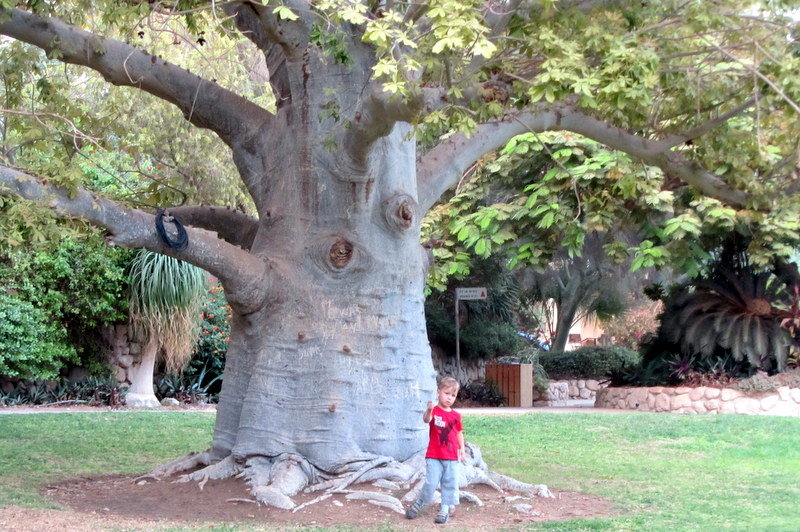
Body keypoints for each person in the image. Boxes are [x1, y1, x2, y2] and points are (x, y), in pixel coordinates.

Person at [405, 376, 465, 524]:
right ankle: (420, 502)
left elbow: (459, 433)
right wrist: (429, 410)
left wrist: (462, 448)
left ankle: (445, 509)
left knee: (449, 482)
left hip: (451, 457)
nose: (449, 398)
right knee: (431, 482)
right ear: (438, 392)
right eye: (447, 393)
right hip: (434, 455)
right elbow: (426, 420)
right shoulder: (435, 411)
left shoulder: (456, 415)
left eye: (453, 395)